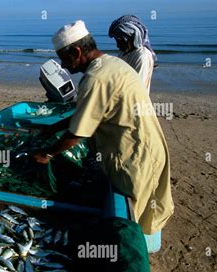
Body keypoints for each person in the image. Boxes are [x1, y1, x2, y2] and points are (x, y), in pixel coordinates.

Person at [34, 20, 174, 242]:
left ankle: (136, 259)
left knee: (131, 221)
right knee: (145, 207)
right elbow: (89, 113)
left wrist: (46, 155)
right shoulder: (111, 64)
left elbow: (78, 133)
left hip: (135, 155)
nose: (64, 65)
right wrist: (54, 128)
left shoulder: (95, 79)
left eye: (64, 58)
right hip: (149, 145)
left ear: (77, 51)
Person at [108, 15, 156, 93]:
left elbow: (137, 89)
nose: (117, 45)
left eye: (120, 40)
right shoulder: (124, 53)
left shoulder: (142, 56)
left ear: (132, 37)